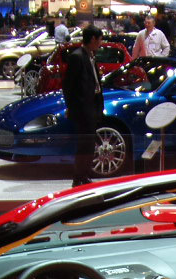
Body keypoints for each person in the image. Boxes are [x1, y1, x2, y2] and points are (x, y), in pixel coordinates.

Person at [62, 25, 104, 187]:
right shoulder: (77, 57)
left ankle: (85, 174)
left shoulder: (91, 56)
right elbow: (69, 86)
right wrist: (72, 107)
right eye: (99, 40)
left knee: (89, 143)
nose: (100, 43)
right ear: (93, 39)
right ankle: (79, 176)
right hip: (83, 108)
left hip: (92, 106)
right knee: (84, 144)